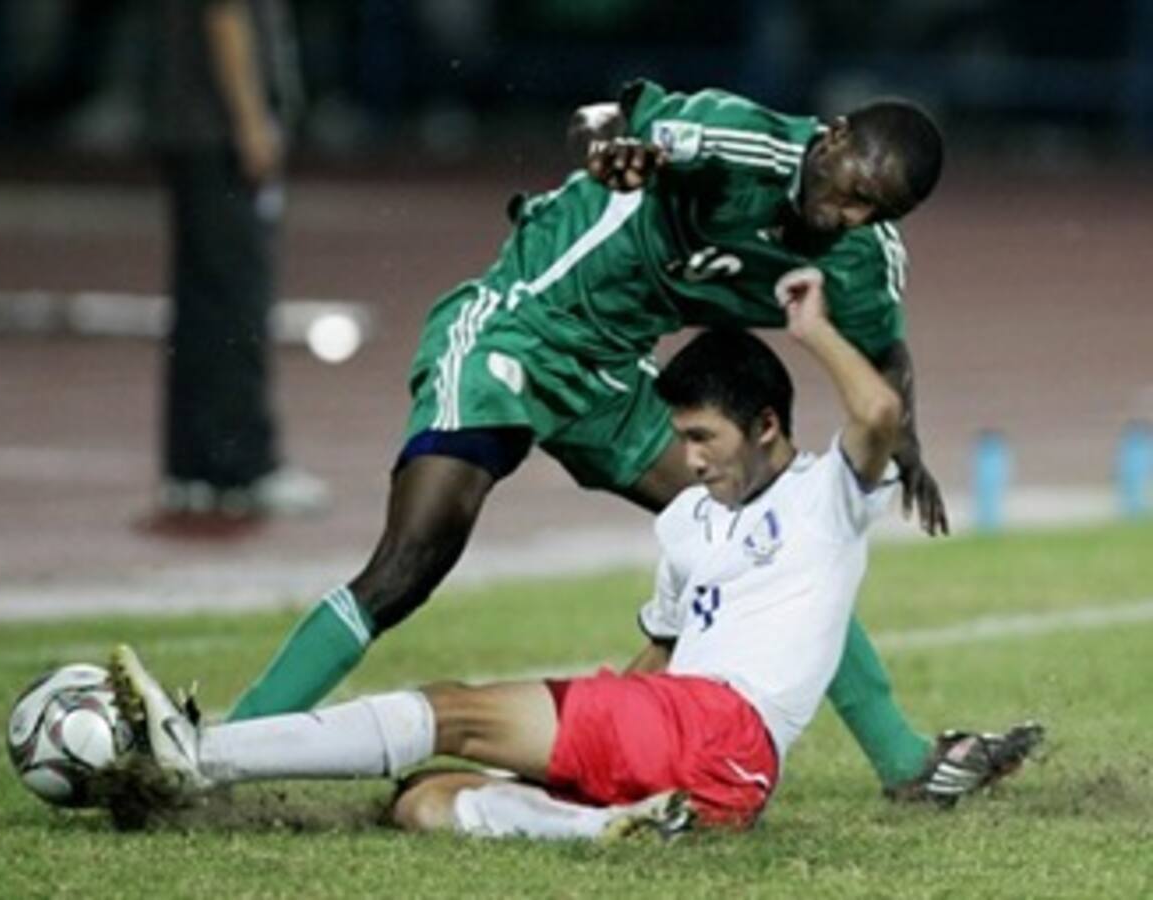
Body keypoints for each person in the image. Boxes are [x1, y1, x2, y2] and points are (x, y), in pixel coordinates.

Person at [220, 79, 1030, 802]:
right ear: (835, 135)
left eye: (875, 211)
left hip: (613, 375)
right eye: (852, 192)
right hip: (519, 325)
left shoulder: (864, 253)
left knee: (776, 540)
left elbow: (886, 348)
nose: (848, 218)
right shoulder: (742, 140)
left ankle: (903, 763)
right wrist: (611, 151)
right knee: (412, 563)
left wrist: (909, 444)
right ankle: (223, 748)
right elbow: (609, 118)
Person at [107, 275, 1039, 838]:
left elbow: (878, 415)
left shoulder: (829, 493)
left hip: (722, 734)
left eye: (706, 437)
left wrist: (813, 330)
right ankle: (605, 825)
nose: (692, 457)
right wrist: (587, 728)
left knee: (450, 711)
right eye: (681, 436)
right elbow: (663, 654)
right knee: (425, 801)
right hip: (688, 752)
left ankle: (204, 756)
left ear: (766, 427)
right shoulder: (684, 524)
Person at [151, 0, 329, 516]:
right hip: (218, 129)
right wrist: (251, 121)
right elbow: (225, 14)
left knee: (201, 305)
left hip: (189, 123)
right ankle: (243, 466)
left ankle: (193, 468)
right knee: (237, 301)